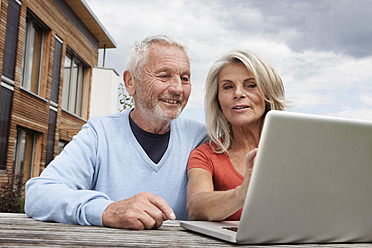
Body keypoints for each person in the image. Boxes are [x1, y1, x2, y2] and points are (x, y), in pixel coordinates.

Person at [25, 35, 207, 230]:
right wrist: (108, 210)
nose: (178, 88)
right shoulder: (99, 134)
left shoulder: (200, 137)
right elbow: (38, 195)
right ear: (130, 82)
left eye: (185, 78)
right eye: (164, 76)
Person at [186, 49, 286, 221]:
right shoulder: (206, 155)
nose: (238, 93)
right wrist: (241, 194)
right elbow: (195, 207)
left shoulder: (295, 148)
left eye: (251, 85)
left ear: (268, 94)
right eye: (228, 87)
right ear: (217, 99)